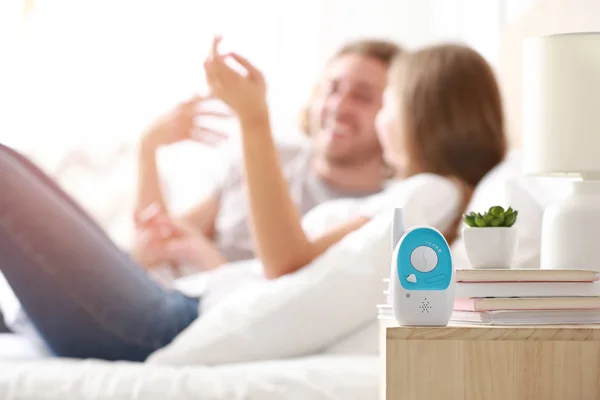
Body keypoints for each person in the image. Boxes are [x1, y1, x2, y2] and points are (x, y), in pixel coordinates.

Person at [0, 39, 506, 361]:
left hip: (163, 322)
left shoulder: (428, 196)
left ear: (422, 114)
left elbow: (286, 261)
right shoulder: (418, 198)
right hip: (173, 304)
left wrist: (254, 120)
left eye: (384, 101)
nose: (372, 117)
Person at [132, 38, 404, 276]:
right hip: (161, 289)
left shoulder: (372, 215)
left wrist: (205, 258)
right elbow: (156, 241)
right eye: (332, 89)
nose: (339, 106)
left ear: (395, 117)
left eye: (363, 97)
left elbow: (279, 298)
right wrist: (148, 149)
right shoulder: (269, 155)